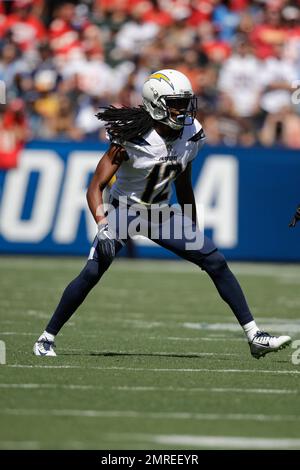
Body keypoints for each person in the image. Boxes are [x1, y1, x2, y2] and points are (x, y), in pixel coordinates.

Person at [33, 69, 291, 359]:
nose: (183, 110)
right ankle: (46, 337)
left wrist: (192, 223)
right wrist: (103, 224)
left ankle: (255, 335)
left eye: (185, 102)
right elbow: (95, 187)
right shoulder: (132, 136)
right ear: (156, 103)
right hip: (125, 211)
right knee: (94, 269)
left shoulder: (192, 133)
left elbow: (183, 180)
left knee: (215, 260)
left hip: (161, 215)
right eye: (175, 103)